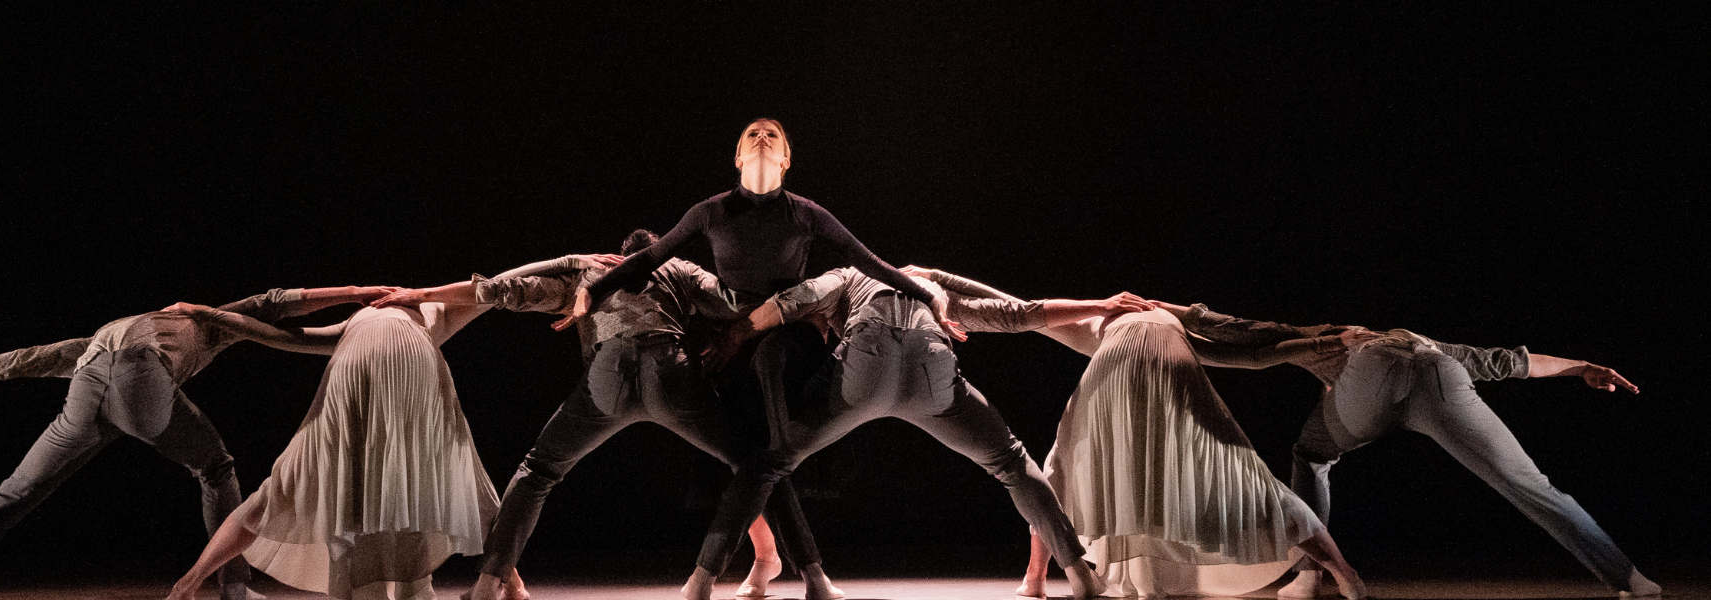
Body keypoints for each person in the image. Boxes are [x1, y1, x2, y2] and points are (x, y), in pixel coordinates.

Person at [570, 119, 952, 598]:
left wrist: (928, 295)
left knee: (769, 432)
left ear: (786, 159)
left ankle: (734, 571)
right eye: (752, 133)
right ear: (738, 157)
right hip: (731, 339)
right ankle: (798, 570)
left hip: (787, 336)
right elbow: (652, 257)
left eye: (773, 134)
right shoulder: (710, 212)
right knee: (755, 457)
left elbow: (869, 262)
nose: (762, 136)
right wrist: (593, 289)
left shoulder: (806, 214)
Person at [373, 230, 823, 600]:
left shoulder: (591, 274)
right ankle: (752, 573)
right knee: (752, 464)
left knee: (538, 471)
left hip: (609, 380)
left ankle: (489, 583)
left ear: (617, 255)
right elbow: (733, 299)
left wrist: (421, 293)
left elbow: (500, 291)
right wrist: (804, 305)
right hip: (670, 376)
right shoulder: (677, 269)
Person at [0, 286, 396, 600]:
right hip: (138, 378)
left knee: (12, 493)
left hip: (87, 388)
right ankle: (234, 588)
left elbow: (21, 360)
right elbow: (275, 303)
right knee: (216, 467)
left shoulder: (106, 333)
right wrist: (358, 291)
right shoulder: (203, 320)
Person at [686, 267, 1156, 600]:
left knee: (769, 464)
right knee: (1010, 462)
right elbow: (1019, 314)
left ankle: (701, 581)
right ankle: (1079, 574)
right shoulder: (932, 290)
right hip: (932, 364)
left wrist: (736, 332)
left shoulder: (849, 276)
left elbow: (795, 299)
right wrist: (1101, 304)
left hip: (868, 364)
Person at [902, 268, 1369, 599]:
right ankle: (1345, 574)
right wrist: (1325, 343)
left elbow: (1013, 306)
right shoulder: (1175, 325)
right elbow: (1255, 352)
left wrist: (933, 275)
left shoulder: (1097, 322)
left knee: (1061, 464)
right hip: (1174, 362)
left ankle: (1036, 578)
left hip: (1116, 363)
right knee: (1239, 474)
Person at [159, 258, 600, 600]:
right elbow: (500, 283)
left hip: (366, 367)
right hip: (403, 365)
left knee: (295, 485)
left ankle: (187, 584)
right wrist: (570, 260)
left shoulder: (406, 317)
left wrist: (204, 312)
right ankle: (505, 583)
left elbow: (267, 334)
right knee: (446, 476)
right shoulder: (427, 314)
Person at [1160, 301, 1663, 598]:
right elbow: (1517, 363)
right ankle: (1631, 579)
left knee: (1311, 455)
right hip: (1441, 376)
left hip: (1371, 376)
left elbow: (1243, 331)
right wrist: (1584, 367)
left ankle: (1310, 574)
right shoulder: (1435, 345)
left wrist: (1164, 310)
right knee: (1530, 485)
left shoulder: (1334, 340)